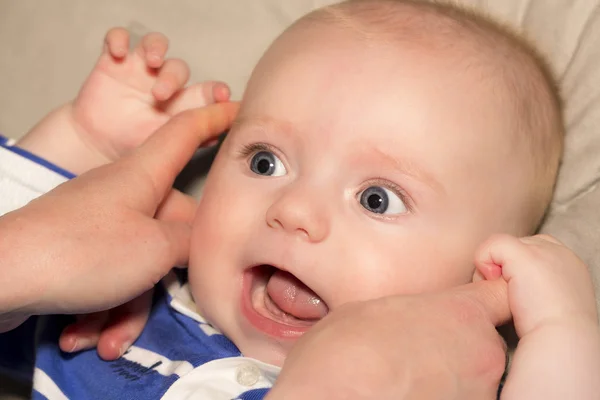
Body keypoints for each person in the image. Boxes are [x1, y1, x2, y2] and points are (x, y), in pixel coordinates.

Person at [1, 0, 599, 398]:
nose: (294, 211)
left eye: (376, 199)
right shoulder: (115, 311)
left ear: (482, 279)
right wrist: (77, 142)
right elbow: (31, 257)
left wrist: (561, 333)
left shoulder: (440, 380)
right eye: (266, 161)